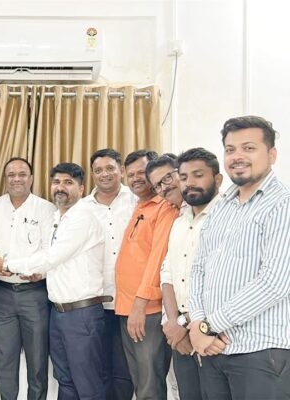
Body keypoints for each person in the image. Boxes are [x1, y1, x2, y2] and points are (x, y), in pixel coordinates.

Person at [0, 162, 109, 400]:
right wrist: (34, 271)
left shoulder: (81, 219)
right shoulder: (59, 217)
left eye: (68, 182)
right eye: (56, 182)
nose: (61, 187)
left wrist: (7, 264)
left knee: (87, 383)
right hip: (59, 310)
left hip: (80, 312)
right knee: (65, 379)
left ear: (82, 188)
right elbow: (50, 262)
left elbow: (51, 258)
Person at [188, 116, 290, 399]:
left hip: (261, 352)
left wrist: (210, 326)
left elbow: (275, 282)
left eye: (249, 148)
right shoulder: (222, 206)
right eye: (230, 149)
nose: (237, 156)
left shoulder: (282, 205)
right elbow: (198, 268)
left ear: (272, 155)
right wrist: (198, 324)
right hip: (213, 351)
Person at [0, 157, 55, 400]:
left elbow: (49, 252)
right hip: (1, 292)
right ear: (5, 179)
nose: (17, 179)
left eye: (22, 174)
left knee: (37, 359)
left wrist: (34, 270)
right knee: (4, 358)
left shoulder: (46, 209)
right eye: (11, 174)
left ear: (31, 178)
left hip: (34, 293)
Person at [157, 148, 223, 400]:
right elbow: (167, 275)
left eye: (198, 175)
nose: (189, 183)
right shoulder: (180, 221)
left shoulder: (226, 218)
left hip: (214, 334)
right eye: (184, 177)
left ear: (217, 179)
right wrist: (174, 324)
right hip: (182, 335)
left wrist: (187, 325)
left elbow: (222, 282)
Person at [114, 150, 179, 400]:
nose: (136, 179)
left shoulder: (165, 207)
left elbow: (158, 260)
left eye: (141, 173)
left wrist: (140, 306)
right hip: (127, 308)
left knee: (149, 384)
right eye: (130, 175)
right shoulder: (140, 207)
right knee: (140, 382)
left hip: (147, 310)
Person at [84, 149, 135, 400]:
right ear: (92, 174)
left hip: (132, 302)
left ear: (121, 170)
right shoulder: (83, 208)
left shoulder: (136, 200)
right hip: (96, 300)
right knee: (98, 367)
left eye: (110, 168)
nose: (104, 174)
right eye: (98, 170)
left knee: (127, 370)